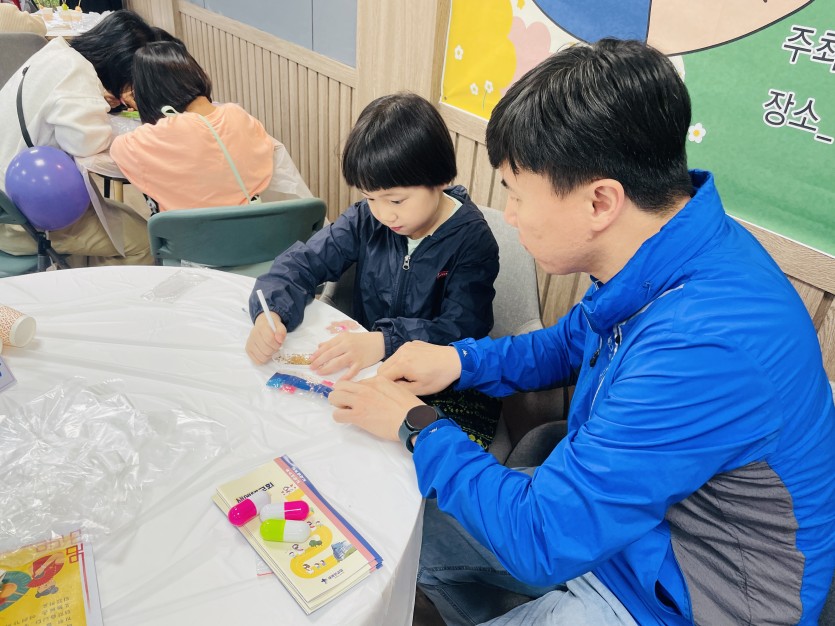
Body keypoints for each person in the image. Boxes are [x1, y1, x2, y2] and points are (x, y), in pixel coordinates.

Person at [327, 39, 835, 625]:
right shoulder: (666, 249)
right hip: (616, 523)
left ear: (600, 202)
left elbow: (543, 536)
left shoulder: (701, 345)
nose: (509, 215)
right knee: (412, 533)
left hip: (685, 598)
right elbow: (569, 342)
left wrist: (416, 424)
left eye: (516, 194)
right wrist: (460, 362)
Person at [247, 92, 502, 446]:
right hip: (368, 370)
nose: (384, 214)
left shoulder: (471, 240)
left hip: (435, 383)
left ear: (439, 179)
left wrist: (385, 341)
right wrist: (271, 310)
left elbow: (463, 326)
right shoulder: (366, 219)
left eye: (396, 200)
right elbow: (305, 261)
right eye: (370, 198)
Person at [0, 10, 156, 265]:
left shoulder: (57, 53)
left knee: (118, 217)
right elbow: (86, 143)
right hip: (20, 220)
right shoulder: (76, 73)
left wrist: (98, 99)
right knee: (143, 240)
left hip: (17, 204)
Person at [110, 41, 274, 213]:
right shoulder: (238, 115)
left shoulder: (152, 137)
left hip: (186, 230)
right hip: (253, 225)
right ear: (197, 74)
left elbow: (119, 149)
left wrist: (144, 107)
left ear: (147, 93)